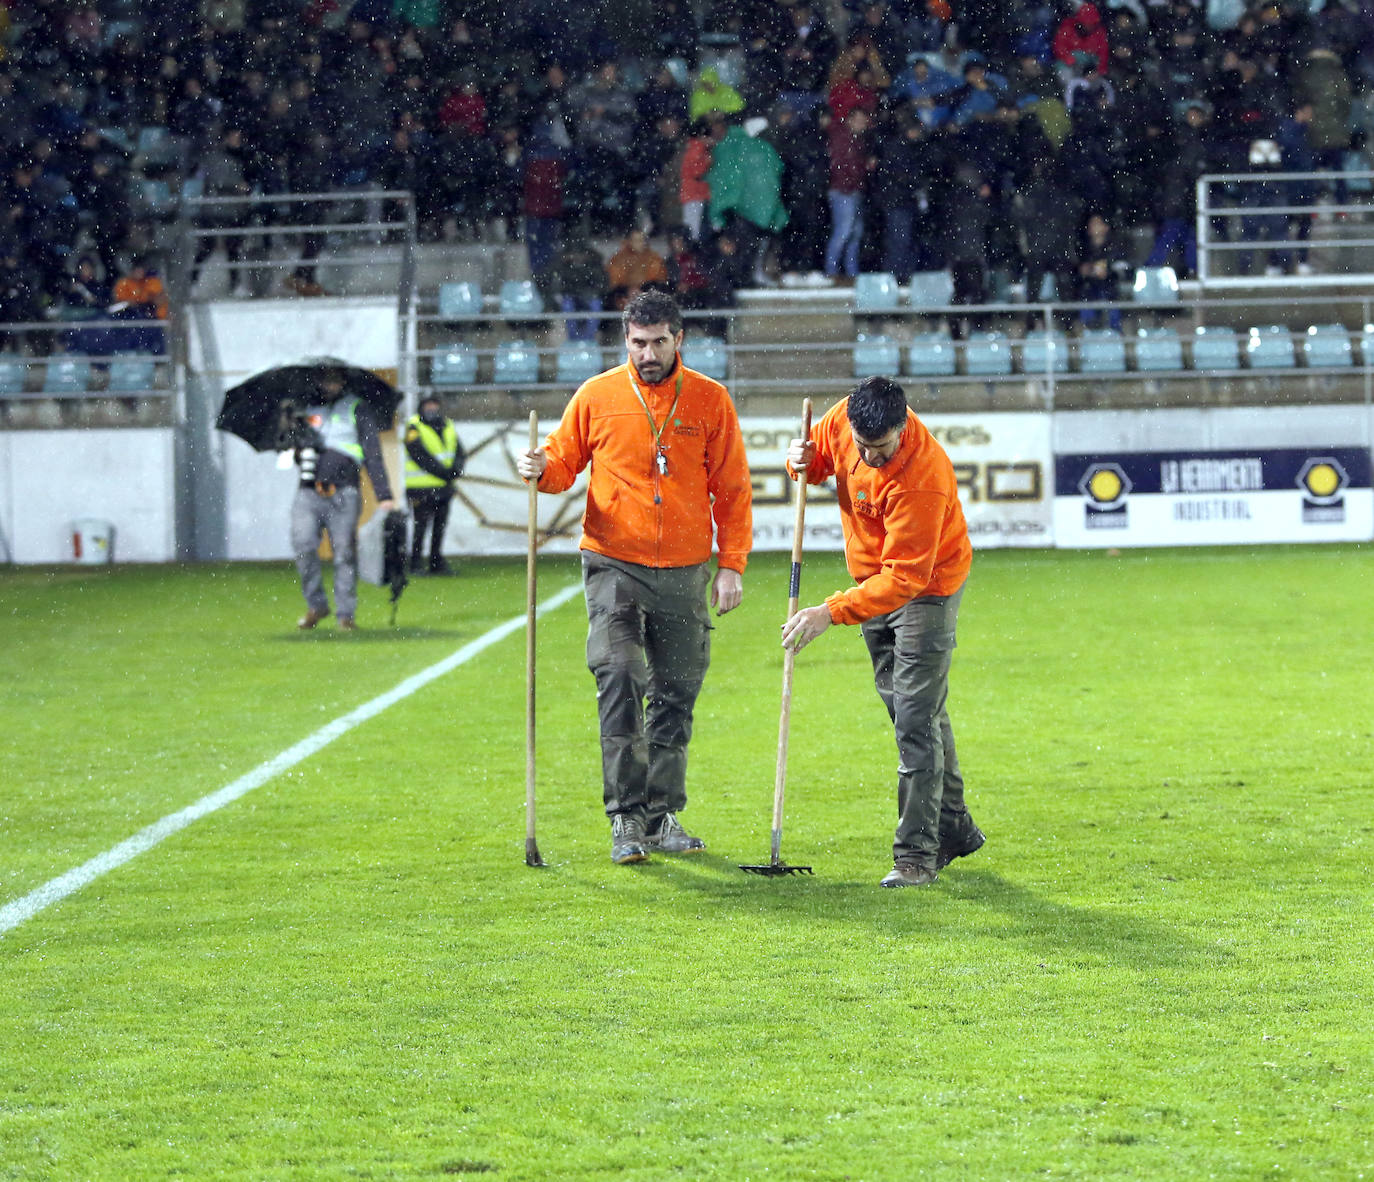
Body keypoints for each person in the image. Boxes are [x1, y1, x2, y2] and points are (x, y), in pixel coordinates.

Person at [516, 291, 753, 865]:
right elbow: (563, 463)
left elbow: (732, 487)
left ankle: (661, 812)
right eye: (637, 343)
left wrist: (732, 564)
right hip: (612, 562)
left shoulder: (710, 400)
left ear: (679, 340)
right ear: (626, 341)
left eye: (658, 342)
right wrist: (542, 468)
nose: (647, 353)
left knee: (675, 692)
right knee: (619, 673)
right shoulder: (596, 396)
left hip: (685, 569)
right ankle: (625, 818)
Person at [782, 375, 983, 888]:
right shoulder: (843, 420)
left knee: (915, 719)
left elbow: (905, 579)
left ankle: (916, 854)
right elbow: (818, 462)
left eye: (881, 447)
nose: (869, 457)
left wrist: (829, 611)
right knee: (915, 711)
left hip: (926, 589)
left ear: (903, 425)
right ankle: (954, 827)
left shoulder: (924, 473)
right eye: (862, 446)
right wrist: (798, 461)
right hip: (870, 582)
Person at [292, 367, 396, 631]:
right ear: (317, 380)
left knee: (344, 553)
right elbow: (293, 456)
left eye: (335, 379)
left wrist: (384, 494)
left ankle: (345, 614)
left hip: (344, 491)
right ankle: (317, 605)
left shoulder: (357, 408)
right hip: (308, 490)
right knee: (303, 545)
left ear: (343, 381)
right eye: (325, 379)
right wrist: (296, 441)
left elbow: (372, 452)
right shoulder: (305, 409)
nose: (330, 384)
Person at [403, 395, 464, 576]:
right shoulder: (413, 427)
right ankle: (415, 563)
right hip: (420, 486)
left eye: (434, 404)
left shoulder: (447, 425)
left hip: (444, 486)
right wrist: (445, 473)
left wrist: (456, 470)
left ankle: (436, 562)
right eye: (427, 404)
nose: (431, 408)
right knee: (420, 526)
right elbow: (418, 455)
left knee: (440, 526)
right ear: (421, 406)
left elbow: (459, 451)